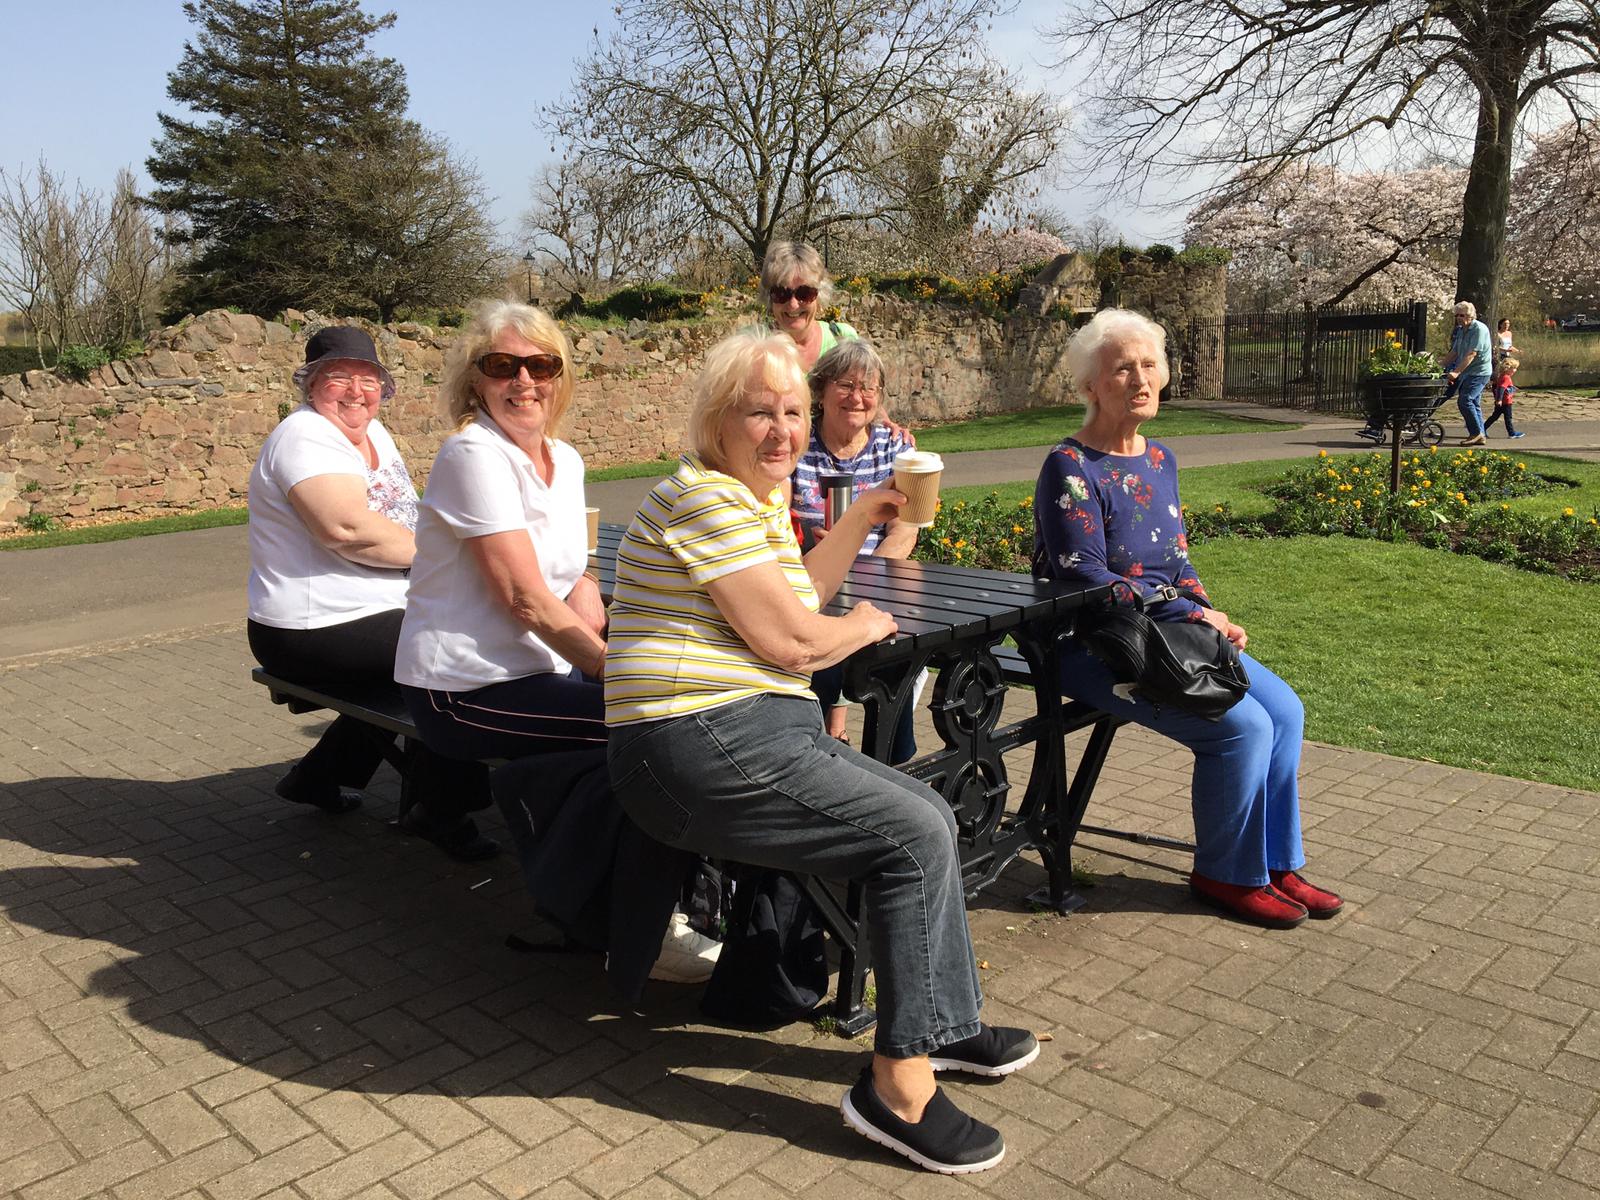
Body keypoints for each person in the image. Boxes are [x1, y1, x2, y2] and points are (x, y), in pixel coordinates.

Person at [605, 330, 1038, 1174]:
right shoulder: (702, 497)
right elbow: (793, 640)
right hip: (688, 742)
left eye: (793, 411)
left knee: (925, 816)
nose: (781, 430)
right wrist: (864, 629)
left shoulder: (748, 499)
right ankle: (897, 1088)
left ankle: (940, 1027)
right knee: (914, 830)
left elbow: (799, 588)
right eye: (759, 411)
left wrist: (866, 515)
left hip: (738, 728)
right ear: (717, 420)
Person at [394, 298, 719, 978]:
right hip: (465, 686)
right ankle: (641, 926)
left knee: (668, 721)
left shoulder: (563, 460)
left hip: (542, 674)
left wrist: (595, 597)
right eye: (502, 366)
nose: (524, 382)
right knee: (647, 734)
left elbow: (575, 567)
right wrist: (614, 670)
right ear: (475, 380)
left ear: (560, 375)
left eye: (541, 365)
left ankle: (683, 895)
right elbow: (522, 597)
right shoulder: (471, 455)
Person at [1033, 308, 1343, 931]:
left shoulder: (1160, 458)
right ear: (1091, 385)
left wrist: (1209, 614)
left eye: (1150, 364)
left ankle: (1273, 862)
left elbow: (1174, 560)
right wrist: (1192, 611)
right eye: (1122, 368)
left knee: (1284, 711)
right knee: (1242, 729)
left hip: (1166, 633)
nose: (1141, 379)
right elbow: (1090, 578)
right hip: (1093, 645)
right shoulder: (1070, 467)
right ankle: (1225, 874)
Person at [246, 325, 487, 848]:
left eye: (369, 378)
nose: (356, 391)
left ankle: (318, 776)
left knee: (431, 643)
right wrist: (458, 559)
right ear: (310, 386)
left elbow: (405, 516)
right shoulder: (305, 435)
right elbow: (347, 531)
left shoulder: (372, 432)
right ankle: (440, 808)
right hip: (310, 626)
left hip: (368, 612)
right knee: (457, 648)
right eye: (339, 378)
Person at [791, 339, 919, 759]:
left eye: (869, 387)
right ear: (821, 389)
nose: (858, 397)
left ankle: (893, 764)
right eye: (846, 384)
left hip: (877, 584)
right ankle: (812, 756)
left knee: (897, 660)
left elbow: (904, 531)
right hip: (810, 584)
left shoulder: (894, 447)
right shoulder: (795, 445)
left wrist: (869, 574)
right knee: (817, 665)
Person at [761, 240, 856, 372]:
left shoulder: (844, 339)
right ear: (769, 298)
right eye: (781, 293)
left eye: (804, 293)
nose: (793, 305)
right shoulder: (750, 346)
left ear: (820, 295)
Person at [1443, 300, 1494, 445]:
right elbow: (1455, 352)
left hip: (1479, 372)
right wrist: (1439, 366)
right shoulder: (1460, 330)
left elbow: (1472, 354)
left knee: (1465, 400)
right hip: (1467, 371)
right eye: (1457, 315)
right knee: (1474, 403)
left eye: (1462, 315)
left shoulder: (1479, 329)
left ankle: (1475, 433)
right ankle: (1480, 435)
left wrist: (1456, 372)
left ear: (1471, 316)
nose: (1459, 318)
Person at [1484, 356, 1525, 438]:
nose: (1515, 370)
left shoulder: (1502, 376)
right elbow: (1501, 388)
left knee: (1494, 417)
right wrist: (1499, 400)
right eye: (1514, 368)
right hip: (1506, 402)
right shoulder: (1506, 378)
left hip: (1502, 402)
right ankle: (1511, 433)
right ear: (1508, 368)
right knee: (1508, 418)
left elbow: (1500, 387)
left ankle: (1482, 429)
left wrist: (1513, 388)